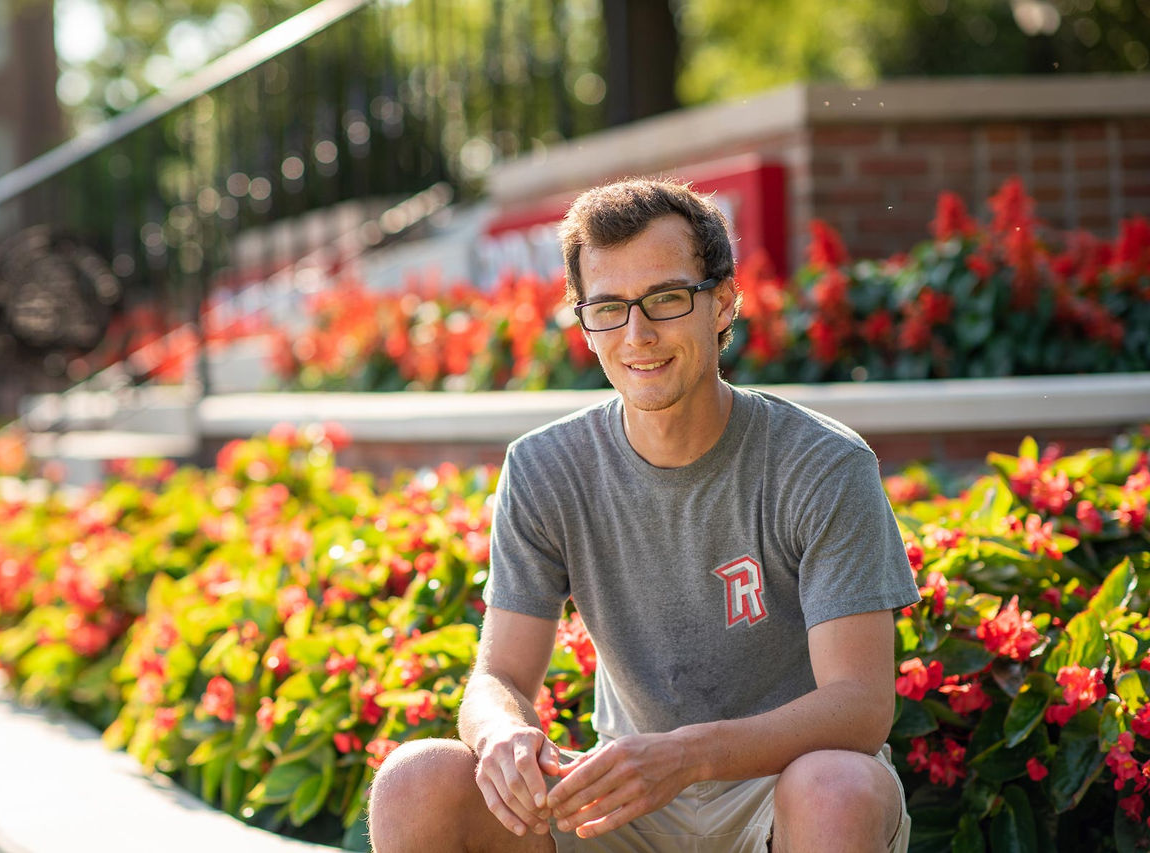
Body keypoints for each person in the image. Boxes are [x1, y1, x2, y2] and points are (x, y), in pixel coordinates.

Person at [367, 177, 920, 852]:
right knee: (416, 778)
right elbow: (500, 677)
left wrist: (688, 755)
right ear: (584, 324)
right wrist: (502, 733)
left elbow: (861, 705)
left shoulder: (822, 463)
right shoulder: (545, 466)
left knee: (836, 785)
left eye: (664, 299)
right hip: (624, 806)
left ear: (722, 302)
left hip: (778, 791)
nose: (638, 335)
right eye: (608, 308)